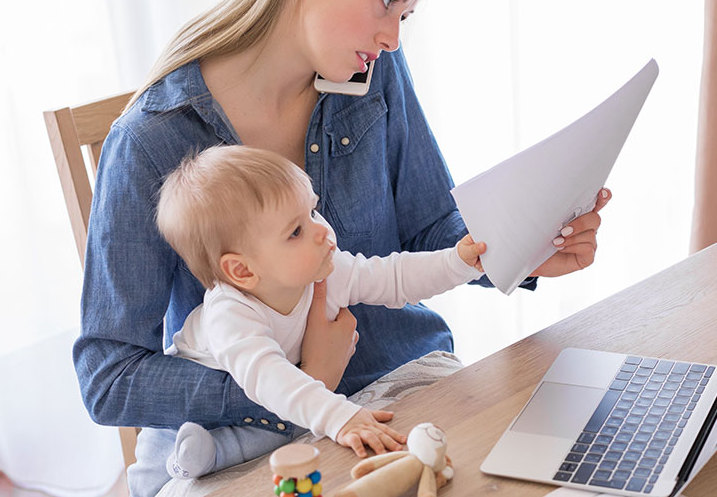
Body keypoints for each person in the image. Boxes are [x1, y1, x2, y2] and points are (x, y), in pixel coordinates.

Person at [71, 0, 608, 495]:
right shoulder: (152, 139)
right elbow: (109, 377)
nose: (393, 37)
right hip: (235, 437)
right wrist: (298, 381)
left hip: (403, 382)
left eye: (405, 13)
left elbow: (433, 226)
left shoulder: (374, 73)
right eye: (386, 2)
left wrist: (529, 245)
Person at [155, 145, 486, 480]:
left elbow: (393, 277)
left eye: (313, 212)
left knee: (285, 424)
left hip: (270, 407)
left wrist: (457, 263)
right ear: (242, 271)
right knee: (280, 417)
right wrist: (340, 417)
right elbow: (270, 378)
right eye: (296, 231)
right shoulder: (230, 313)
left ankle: (214, 452)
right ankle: (202, 455)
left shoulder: (324, 269)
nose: (322, 231)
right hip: (188, 420)